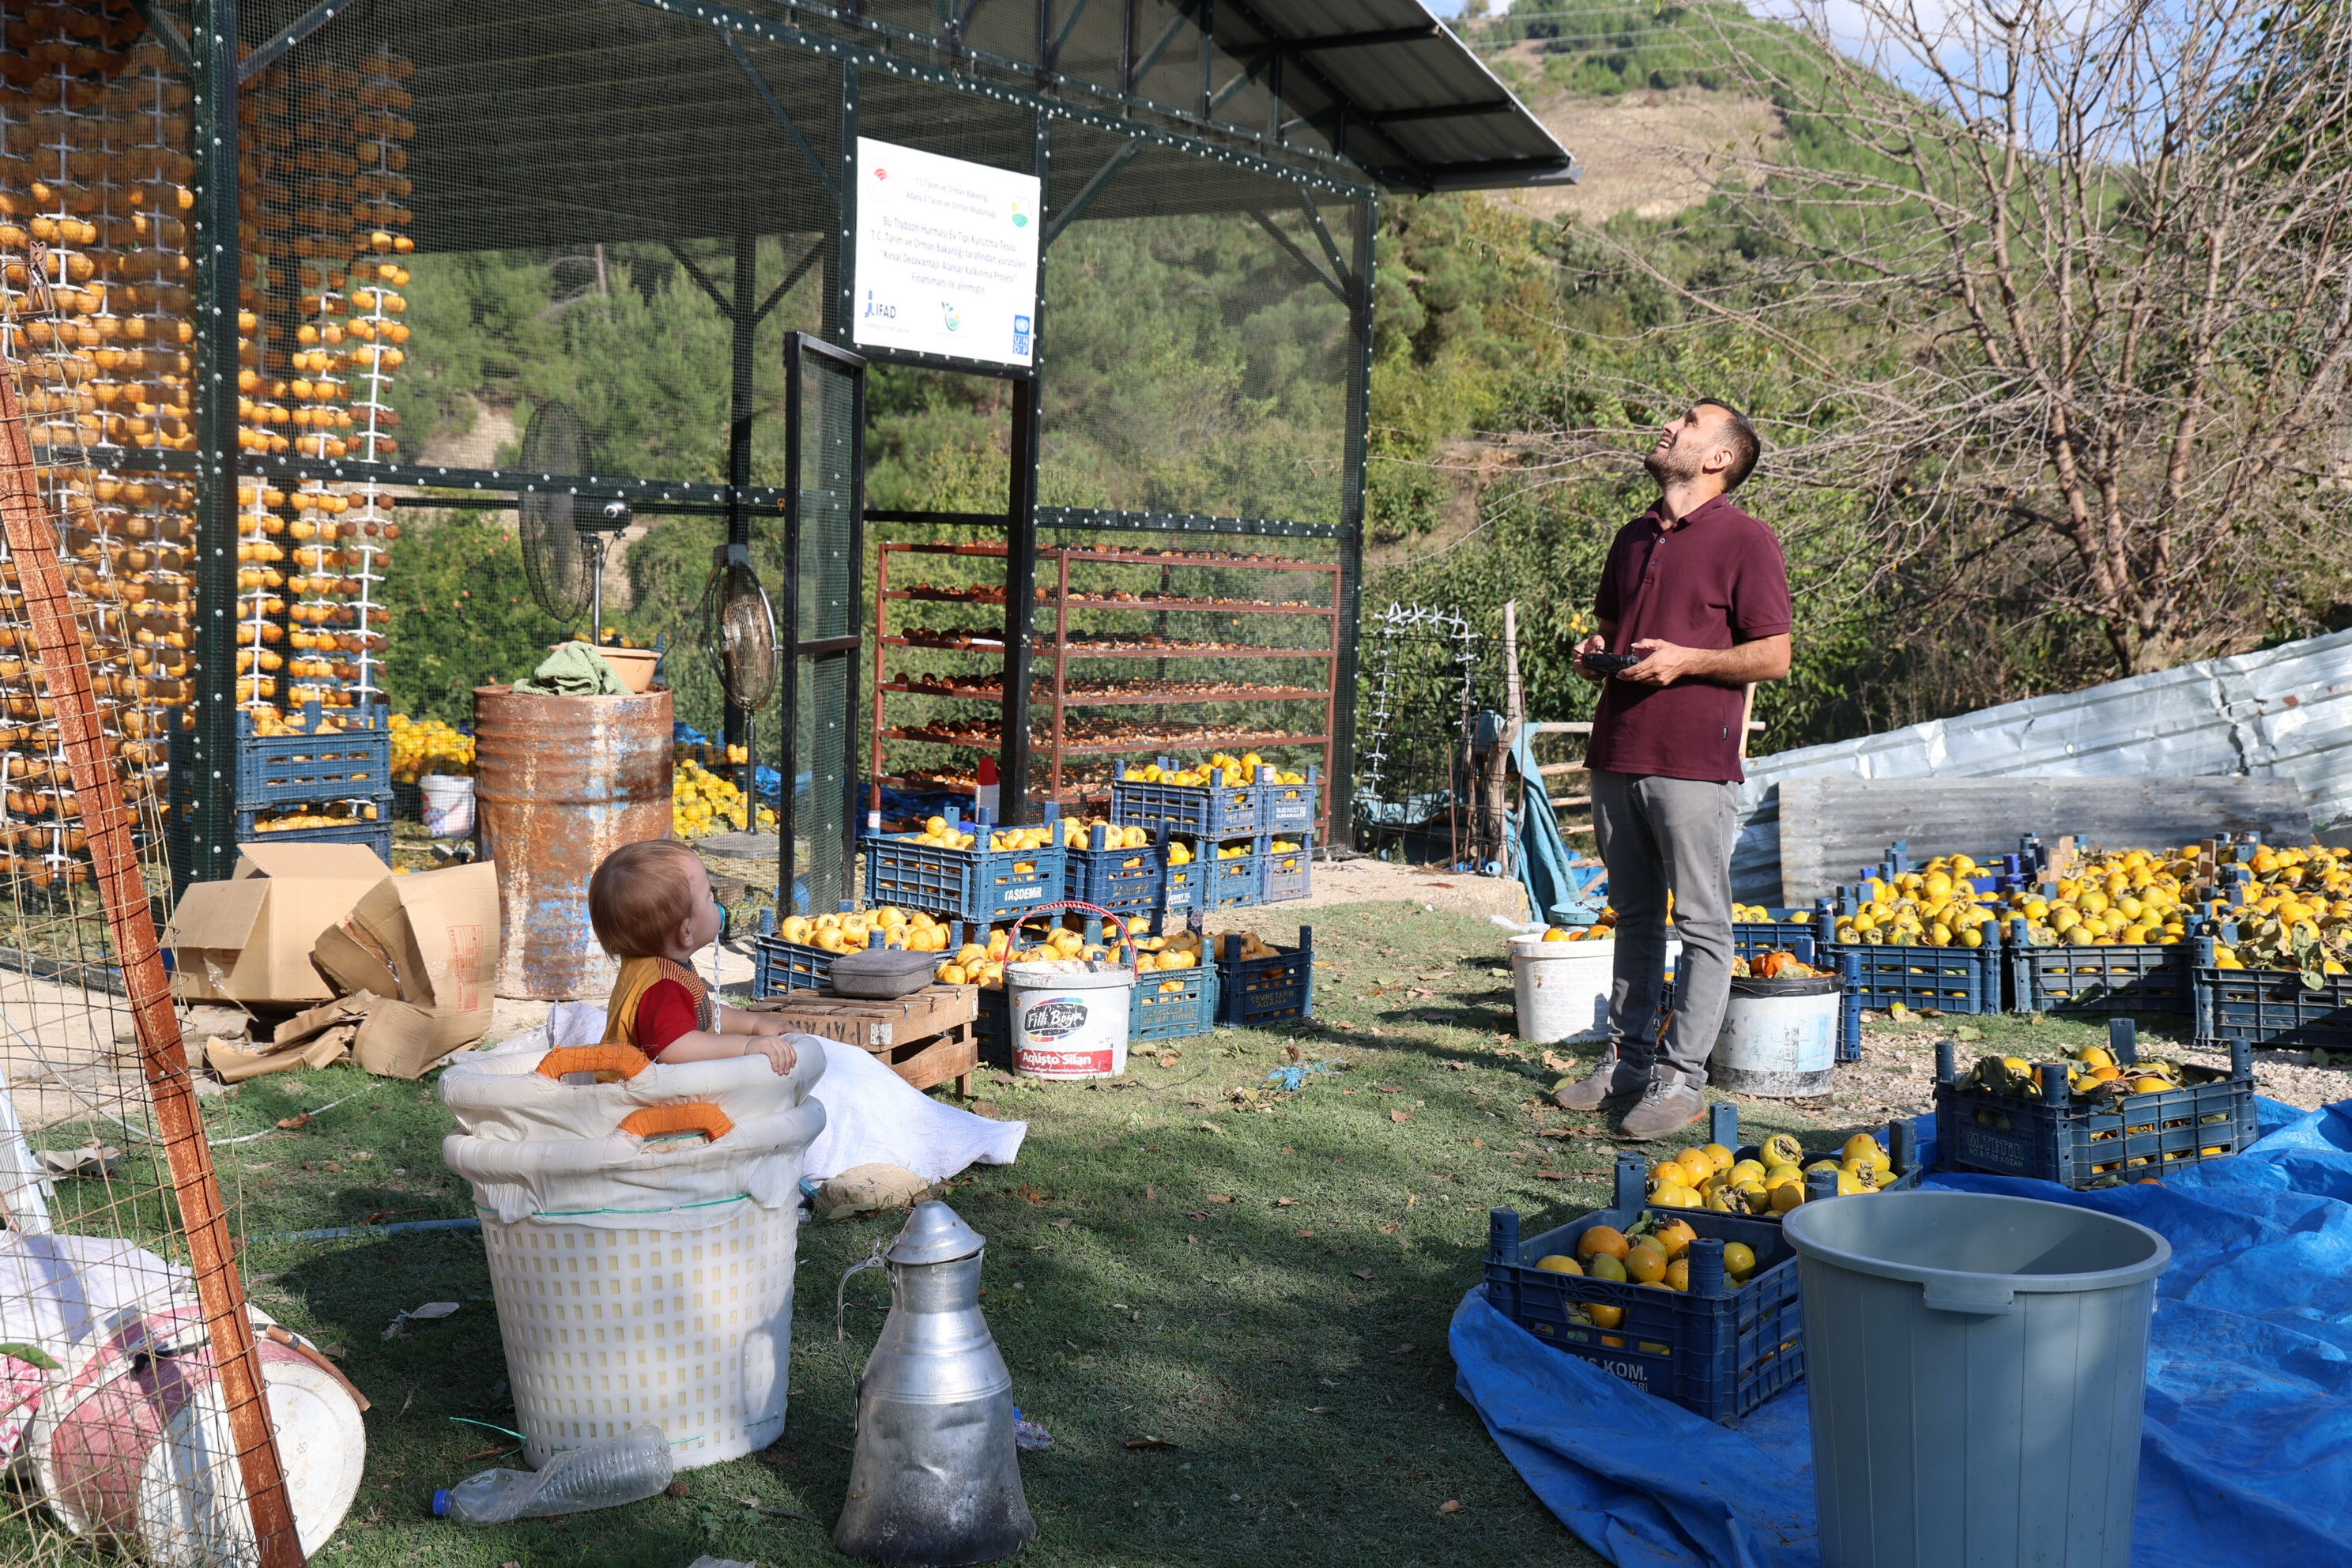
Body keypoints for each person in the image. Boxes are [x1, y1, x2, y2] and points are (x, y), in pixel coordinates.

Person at [1554, 400, 1791, 1139]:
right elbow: (1614, 625)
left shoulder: (1748, 541)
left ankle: (1681, 1078)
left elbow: (1773, 655)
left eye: (1688, 422)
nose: (1669, 426)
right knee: (1633, 917)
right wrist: (1598, 655)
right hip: (1617, 750)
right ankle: (1626, 1062)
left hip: (1694, 762)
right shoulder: (1632, 537)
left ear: (1720, 458)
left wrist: (1689, 662)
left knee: (1703, 923)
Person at [588, 839, 800, 1072]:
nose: (715, 901)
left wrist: (756, 1025)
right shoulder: (662, 987)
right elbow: (676, 1047)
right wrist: (746, 1046)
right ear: (686, 931)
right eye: (709, 895)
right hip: (641, 1099)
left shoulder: (658, 965)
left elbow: (701, 1012)